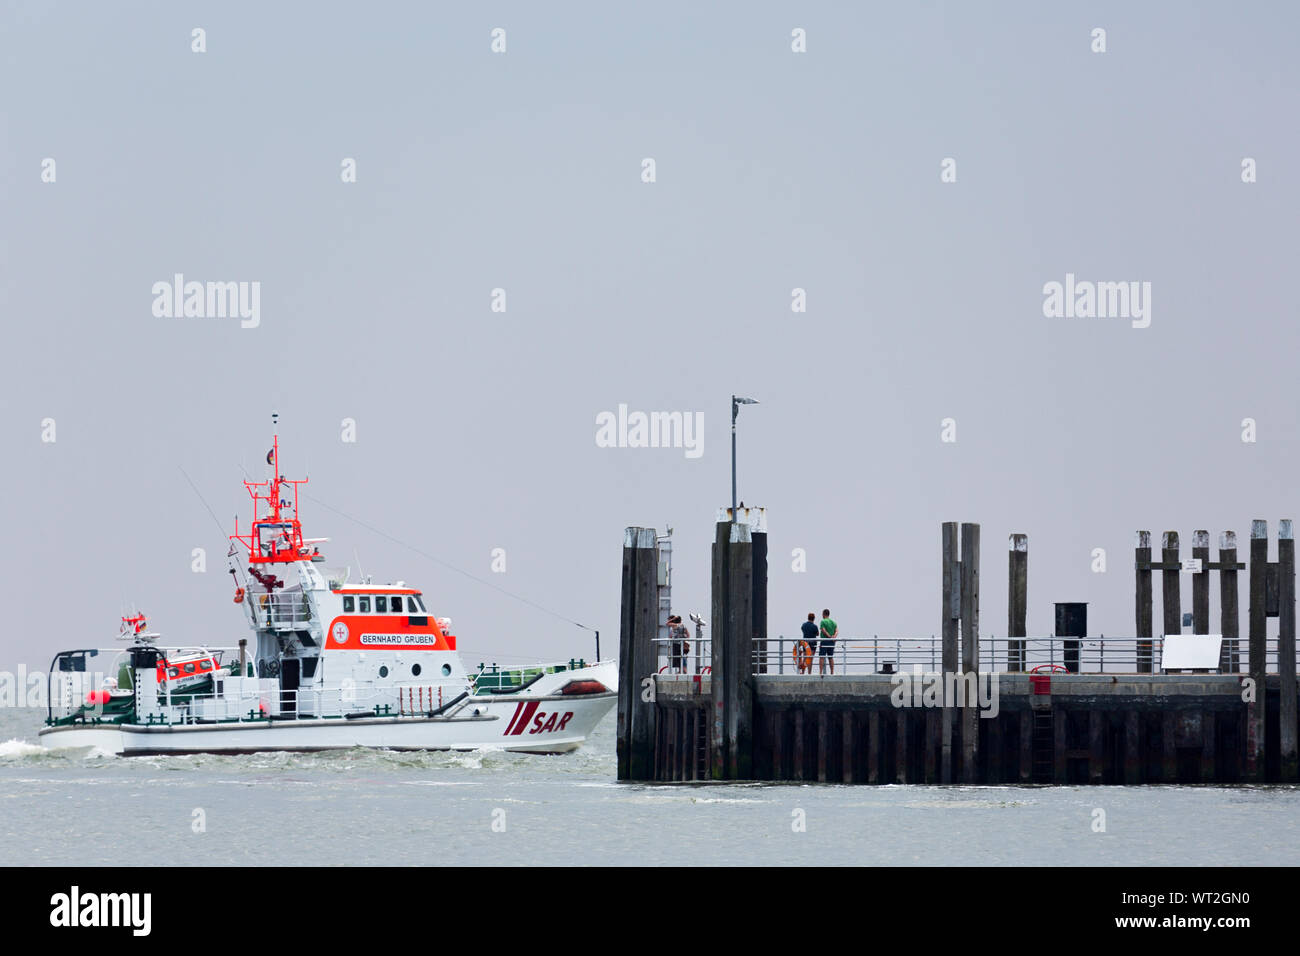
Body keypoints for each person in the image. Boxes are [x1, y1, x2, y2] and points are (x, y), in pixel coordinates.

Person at [819, 609, 838, 675]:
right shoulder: (833, 622)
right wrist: (834, 637)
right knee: (830, 657)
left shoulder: (823, 621)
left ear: (824, 614)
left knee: (821, 657)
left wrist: (829, 637)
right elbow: (836, 631)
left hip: (824, 641)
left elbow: (823, 631)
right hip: (832, 642)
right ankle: (832, 672)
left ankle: (820, 672)